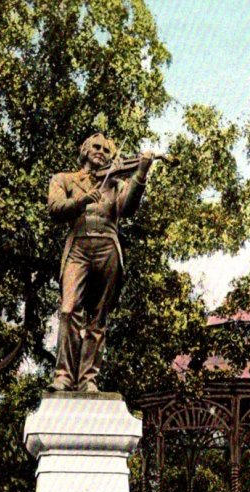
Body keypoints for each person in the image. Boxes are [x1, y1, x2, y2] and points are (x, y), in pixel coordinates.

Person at [47, 132, 153, 392]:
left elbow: (127, 209)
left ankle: (88, 379)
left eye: (106, 150)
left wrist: (140, 174)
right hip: (79, 247)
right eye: (96, 147)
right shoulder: (64, 179)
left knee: (99, 317)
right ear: (84, 150)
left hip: (107, 246)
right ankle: (63, 376)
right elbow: (55, 209)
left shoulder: (116, 183)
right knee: (69, 309)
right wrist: (82, 200)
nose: (101, 153)